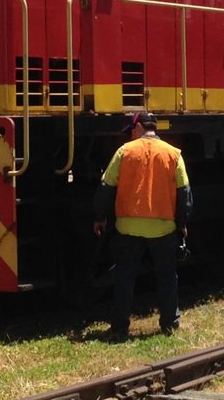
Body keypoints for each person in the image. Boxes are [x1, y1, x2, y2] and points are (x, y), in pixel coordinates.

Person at [93, 112, 192, 340]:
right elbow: (184, 192)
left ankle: (119, 327)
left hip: (128, 226)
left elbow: (106, 186)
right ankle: (169, 323)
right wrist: (182, 223)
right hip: (163, 227)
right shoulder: (173, 154)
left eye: (130, 130)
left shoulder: (124, 151)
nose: (129, 134)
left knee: (125, 277)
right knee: (167, 275)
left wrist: (100, 217)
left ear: (138, 126)